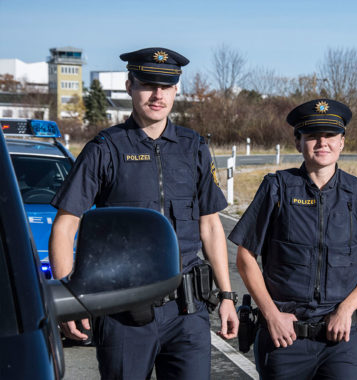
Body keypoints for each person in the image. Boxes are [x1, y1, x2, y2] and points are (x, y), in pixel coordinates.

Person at [49, 47, 239, 379]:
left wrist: (226, 295)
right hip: (123, 312)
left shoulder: (194, 147)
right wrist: (71, 299)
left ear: (176, 90)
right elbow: (65, 226)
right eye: (148, 84)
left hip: (187, 312)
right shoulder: (105, 149)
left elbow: (210, 226)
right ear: (129, 86)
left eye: (166, 86)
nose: (157, 94)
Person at [229, 99, 357, 379]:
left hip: (340, 339)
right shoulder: (277, 188)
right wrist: (271, 315)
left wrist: (346, 310)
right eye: (312, 136)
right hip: (285, 337)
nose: (322, 143)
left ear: (342, 142)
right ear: (298, 142)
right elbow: (245, 255)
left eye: (330, 135)